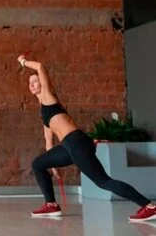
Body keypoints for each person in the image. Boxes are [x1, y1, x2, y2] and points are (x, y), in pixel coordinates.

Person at [18, 54, 156, 221]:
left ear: (42, 83)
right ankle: (51, 205)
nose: (32, 84)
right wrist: (52, 165)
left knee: (104, 182)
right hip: (70, 145)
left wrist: (23, 62)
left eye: (35, 81)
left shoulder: (49, 97)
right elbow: (49, 141)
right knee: (38, 163)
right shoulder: (43, 112)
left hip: (76, 142)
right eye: (30, 83)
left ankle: (149, 206)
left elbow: (40, 66)